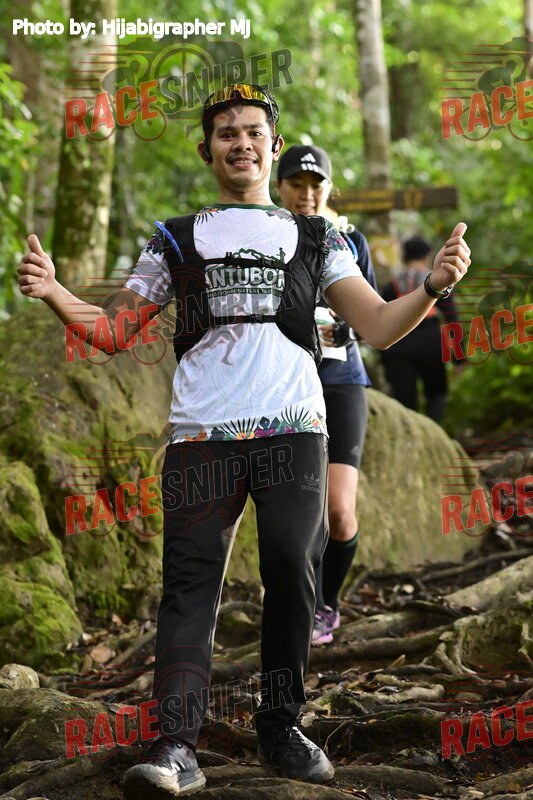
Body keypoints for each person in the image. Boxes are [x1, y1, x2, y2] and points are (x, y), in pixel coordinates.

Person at [17, 83, 471, 798]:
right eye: (226, 133)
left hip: (295, 427)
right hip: (201, 433)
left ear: (273, 145)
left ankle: (281, 725)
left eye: (254, 131)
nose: (241, 143)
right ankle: (175, 745)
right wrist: (52, 291)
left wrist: (434, 288)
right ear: (207, 151)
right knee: (189, 584)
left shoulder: (319, 237)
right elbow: (112, 330)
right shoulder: (176, 236)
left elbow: (380, 325)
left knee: (292, 564)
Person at [276, 144, 376, 645]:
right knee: (300, 515)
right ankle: (295, 606)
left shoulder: (351, 240)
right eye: (297, 184)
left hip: (341, 382)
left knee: (338, 511)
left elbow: (372, 313)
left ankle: (327, 605)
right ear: (279, 186)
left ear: (329, 189)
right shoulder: (268, 237)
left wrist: (343, 328)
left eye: (316, 185)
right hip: (288, 385)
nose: (307, 194)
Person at [380, 235, 464, 422]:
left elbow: (381, 321)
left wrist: (384, 360)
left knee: (405, 404)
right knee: (437, 394)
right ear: (427, 257)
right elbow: (452, 319)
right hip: (431, 344)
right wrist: (459, 358)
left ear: (403, 257)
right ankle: (432, 429)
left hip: (399, 347)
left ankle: (410, 435)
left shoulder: (392, 284)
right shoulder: (439, 280)